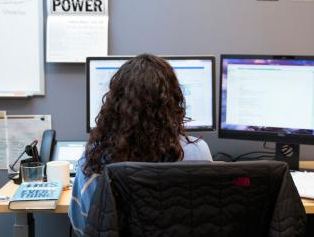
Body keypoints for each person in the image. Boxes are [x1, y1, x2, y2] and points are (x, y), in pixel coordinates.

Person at [68, 54, 213, 236]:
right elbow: (207, 220)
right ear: (173, 102)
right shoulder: (198, 152)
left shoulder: (92, 161)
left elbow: (84, 228)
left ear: (115, 105)